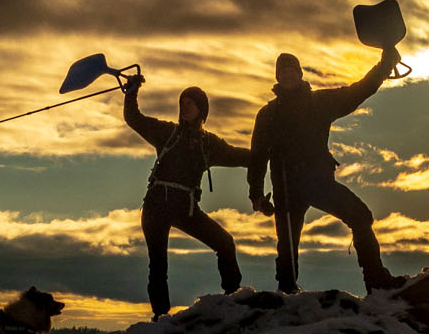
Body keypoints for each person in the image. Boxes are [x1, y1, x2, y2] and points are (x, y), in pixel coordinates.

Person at [247, 48, 404, 293]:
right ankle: (287, 293)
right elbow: (257, 157)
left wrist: (385, 65)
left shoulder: (319, 102)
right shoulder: (267, 115)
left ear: (299, 73)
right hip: (285, 187)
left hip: (317, 182)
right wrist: (256, 195)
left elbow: (357, 91)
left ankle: (376, 280)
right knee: (287, 247)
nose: (287, 74)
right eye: (283, 71)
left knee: (360, 216)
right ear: (277, 78)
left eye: (291, 69)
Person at [121, 73, 252, 318]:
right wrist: (131, 92)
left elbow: (239, 156)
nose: (184, 107)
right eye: (182, 103)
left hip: (186, 207)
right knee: (158, 266)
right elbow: (133, 118)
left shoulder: (208, 144)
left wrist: (269, 155)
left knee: (225, 243)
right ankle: (161, 318)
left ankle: (233, 300)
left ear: (202, 110)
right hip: (156, 205)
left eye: (189, 103)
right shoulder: (166, 132)